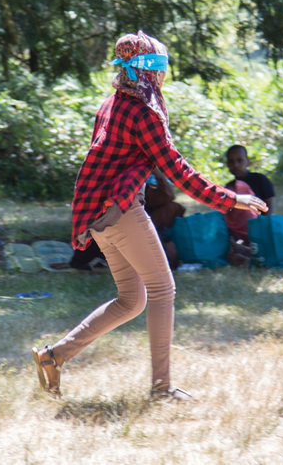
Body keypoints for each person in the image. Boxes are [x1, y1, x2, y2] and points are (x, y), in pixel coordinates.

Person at [31, 31, 267, 400]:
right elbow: (178, 171)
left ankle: (54, 356)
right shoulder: (145, 113)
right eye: (161, 68)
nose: (163, 77)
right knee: (162, 289)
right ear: (151, 71)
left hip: (99, 212)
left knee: (132, 300)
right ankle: (161, 389)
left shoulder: (112, 102)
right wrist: (231, 199)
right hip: (120, 210)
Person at [224, 145, 275, 263]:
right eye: (231, 161)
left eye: (239, 160)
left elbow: (269, 208)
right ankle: (246, 254)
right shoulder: (228, 187)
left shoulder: (260, 179)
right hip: (239, 232)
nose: (235, 164)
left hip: (260, 228)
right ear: (227, 164)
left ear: (248, 162)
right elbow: (228, 216)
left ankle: (250, 254)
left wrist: (262, 228)